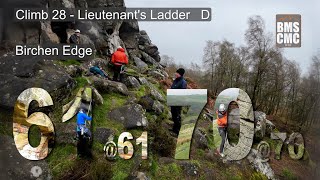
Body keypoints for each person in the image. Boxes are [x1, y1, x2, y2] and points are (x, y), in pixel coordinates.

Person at [170, 68, 187, 135]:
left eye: (177, 73)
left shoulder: (183, 82)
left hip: (178, 102)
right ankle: (174, 128)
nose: (175, 74)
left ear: (180, 74)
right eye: (176, 72)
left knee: (177, 116)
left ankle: (177, 132)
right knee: (173, 115)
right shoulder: (175, 80)